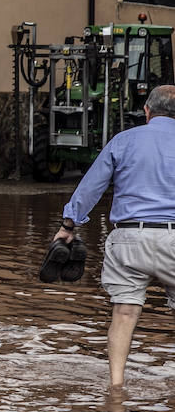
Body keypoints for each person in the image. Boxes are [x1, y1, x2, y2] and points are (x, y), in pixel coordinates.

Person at [54, 83, 175, 388]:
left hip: (129, 239)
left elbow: (91, 187)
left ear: (147, 111)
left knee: (124, 312)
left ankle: (116, 386)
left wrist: (68, 226)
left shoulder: (124, 141)